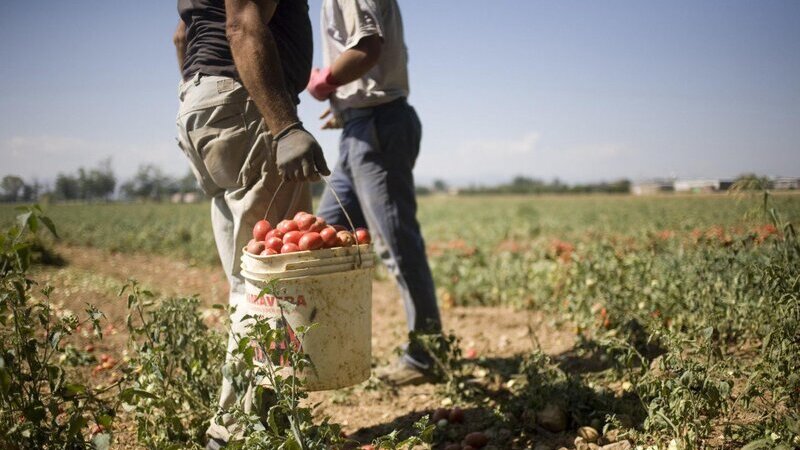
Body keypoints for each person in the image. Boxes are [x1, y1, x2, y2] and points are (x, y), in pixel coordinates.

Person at [173, 0, 329, 447]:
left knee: (249, 281)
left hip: (202, 104)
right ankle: (238, 434)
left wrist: (205, 97)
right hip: (245, 103)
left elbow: (182, 37)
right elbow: (242, 24)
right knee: (272, 286)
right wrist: (284, 127)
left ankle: (250, 425)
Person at [307, 0, 442, 386]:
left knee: (396, 244)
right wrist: (347, 108)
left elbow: (367, 48)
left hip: (378, 125)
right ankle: (324, 350)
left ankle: (427, 356)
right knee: (326, 239)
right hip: (362, 125)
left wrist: (324, 83)